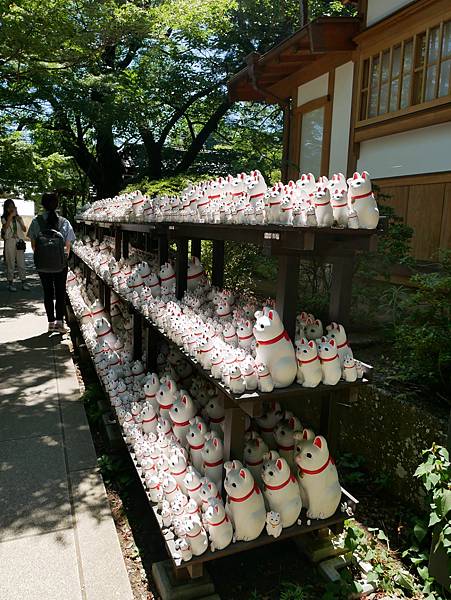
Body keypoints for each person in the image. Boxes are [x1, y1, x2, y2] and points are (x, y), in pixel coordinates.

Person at [28, 192, 76, 333]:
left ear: (42, 204)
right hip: (60, 264)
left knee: (48, 292)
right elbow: (68, 246)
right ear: (57, 204)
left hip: (42, 264)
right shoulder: (64, 222)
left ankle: (50, 323)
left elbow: (33, 245)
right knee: (60, 292)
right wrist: (62, 257)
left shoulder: (36, 222)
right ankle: (60, 324)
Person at [1, 199, 30, 292]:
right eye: (9, 207)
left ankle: (23, 282)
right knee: (11, 263)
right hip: (9, 241)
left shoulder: (19, 217)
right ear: (6, 208)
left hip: (19, 241)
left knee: (21, 262)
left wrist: (20, 221)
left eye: (13, 206)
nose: (11, 208)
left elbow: (25, 229)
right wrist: (10, 216)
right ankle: (10, 283)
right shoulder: (4, 217)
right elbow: (5, 228)